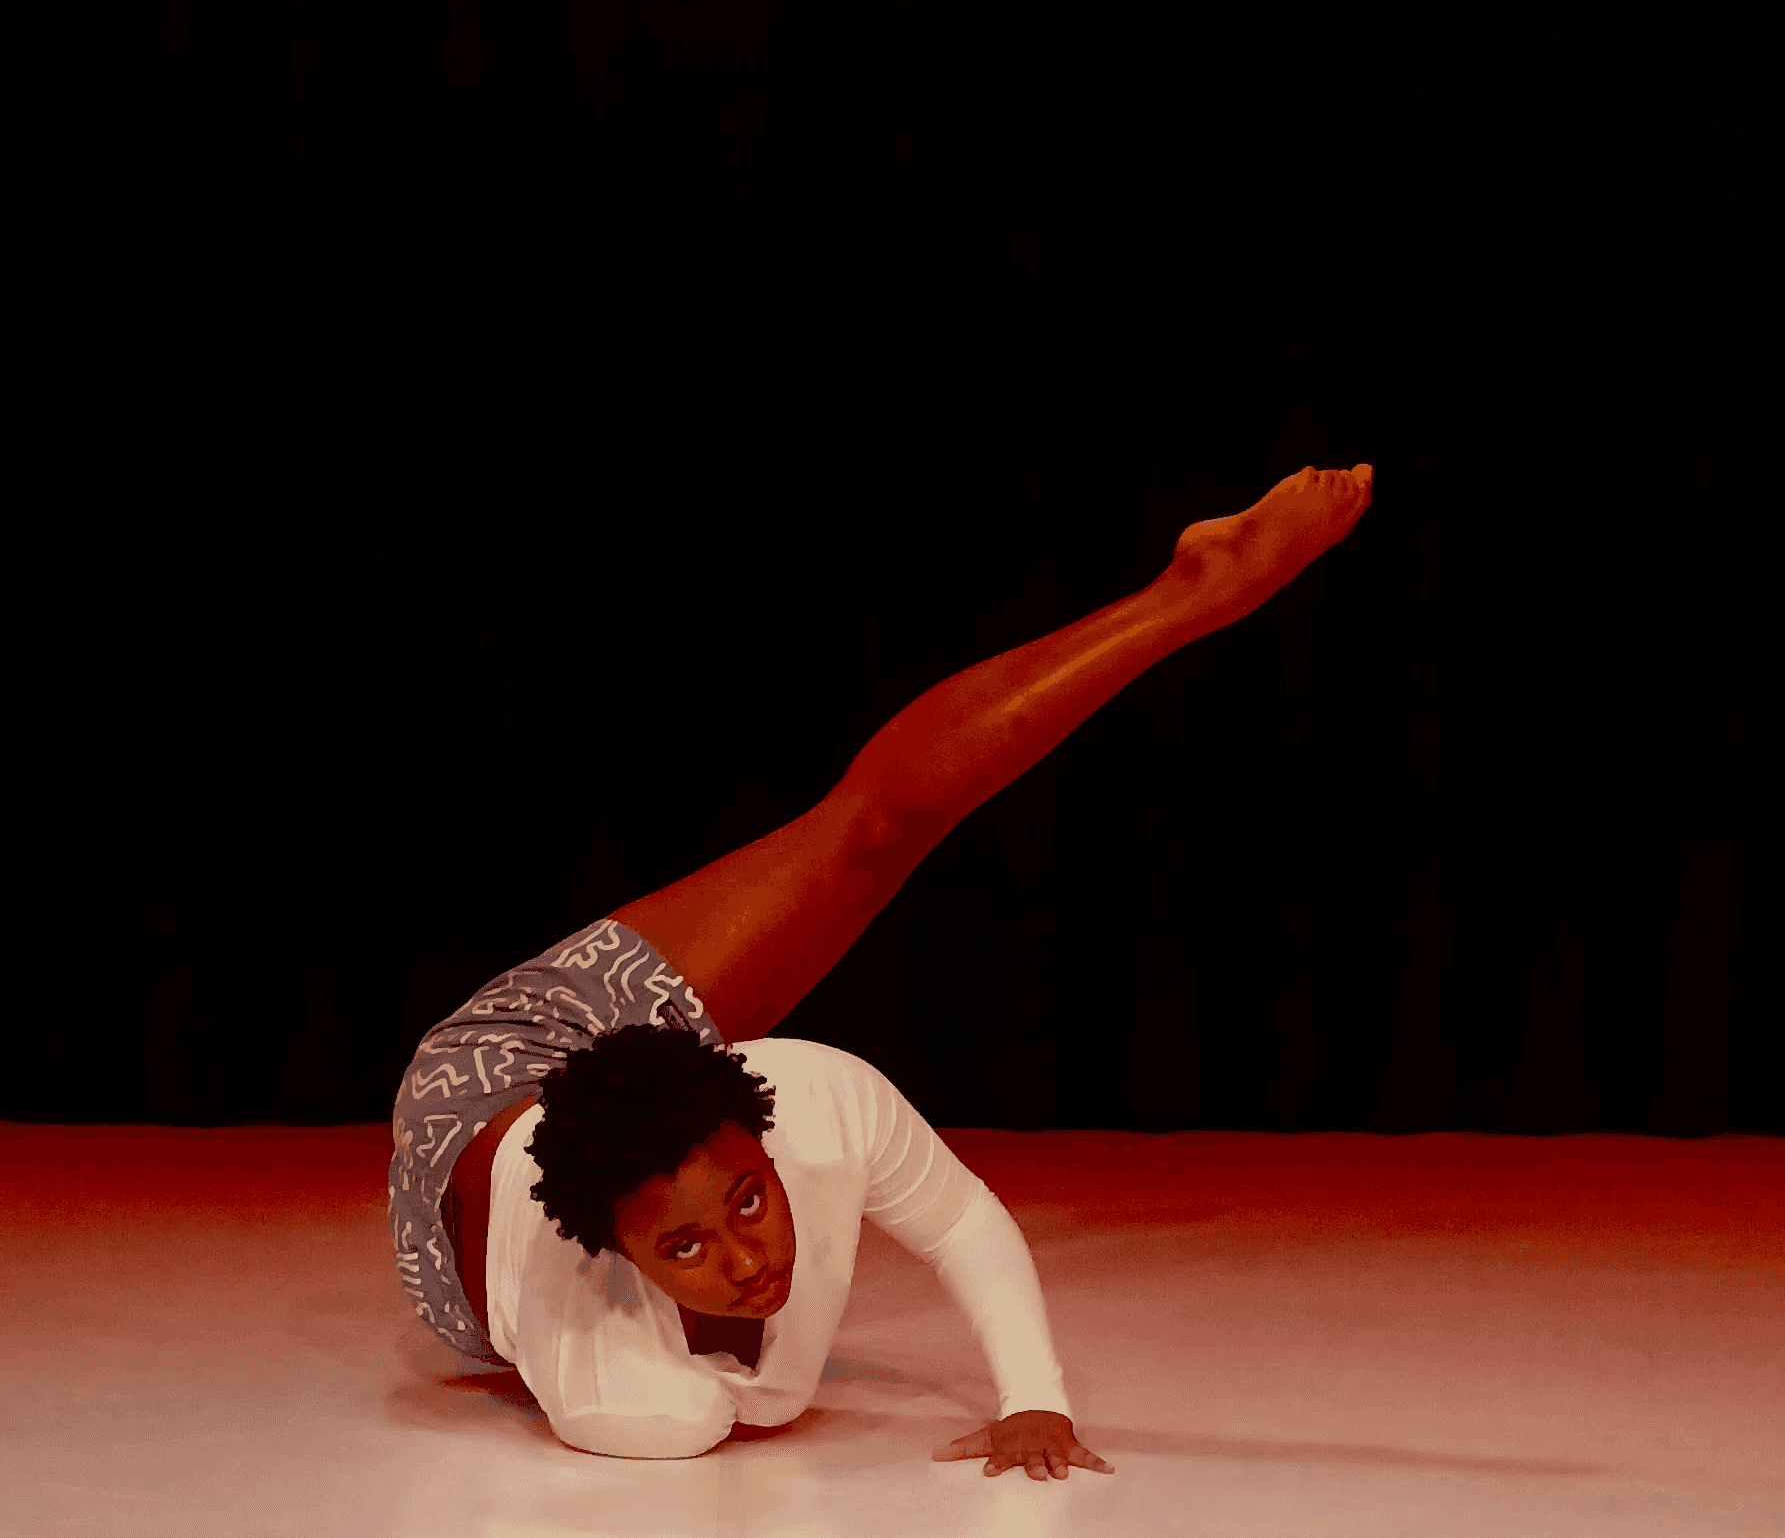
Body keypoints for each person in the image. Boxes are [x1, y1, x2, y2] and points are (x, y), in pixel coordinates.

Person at [387, 461, 1376, 1477]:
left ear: (758, 1118)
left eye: (750, 1201)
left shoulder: (813, 1099)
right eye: (684, 1249)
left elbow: (955, 1223)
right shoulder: (613, 1381)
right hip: (483, 1166)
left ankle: (1198, 589)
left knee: (867, 836)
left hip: (503, 1052)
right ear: (614, 1249)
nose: (749, 1259)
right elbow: (754, 1406)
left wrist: (1033, 1395)